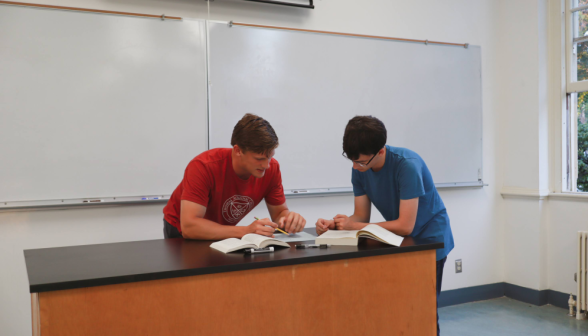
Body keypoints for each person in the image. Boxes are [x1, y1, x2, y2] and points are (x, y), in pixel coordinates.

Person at [315, 115, 454, 336]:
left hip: (429, 238)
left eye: (360, 162)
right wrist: (338, 225)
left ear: (380, 151)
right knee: (396, 309)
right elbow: (361, 215)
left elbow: (405, 225)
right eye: (351, 160)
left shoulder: (407, 165)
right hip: (399, 239)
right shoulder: (360, 166)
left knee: (423, 311)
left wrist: (355, 226)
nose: (355, 166)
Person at [163, 113, 306, 240]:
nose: (266, 165)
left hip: (223, 229)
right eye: (259, 159)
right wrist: (246, 231)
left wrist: (289, 220)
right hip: (180, 232)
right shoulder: (203, 166)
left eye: (270, 157)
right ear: (238, 150)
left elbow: (280, 212)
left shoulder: (272, 169)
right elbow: (190, 227)